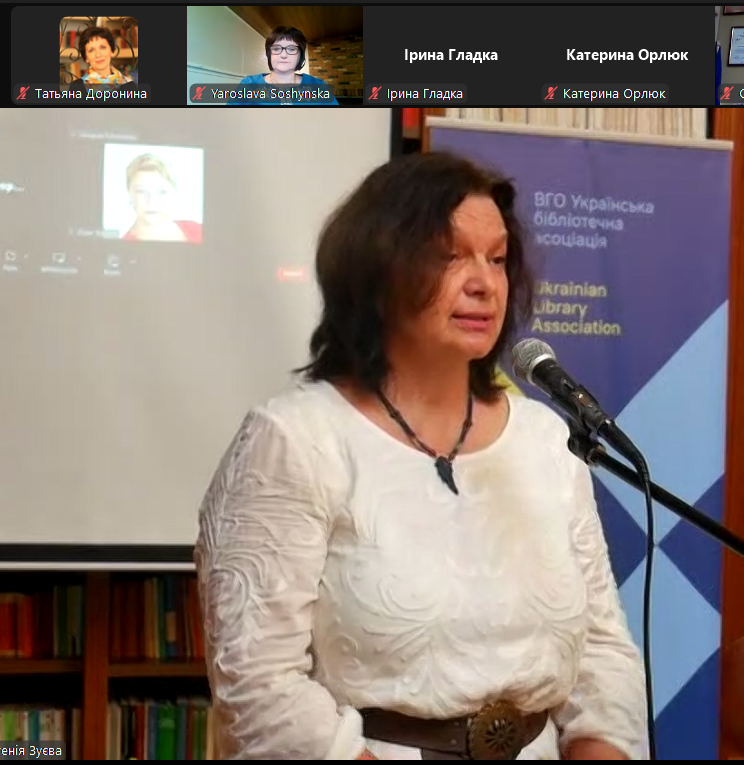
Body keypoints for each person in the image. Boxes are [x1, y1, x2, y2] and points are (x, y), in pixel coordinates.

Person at [194, 151, 647, 760]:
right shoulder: (294, 439)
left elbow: (602, 650)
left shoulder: (544, 438)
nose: (484, 283)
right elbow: (260, 687)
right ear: (377, 272)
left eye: (497, 259)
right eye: (449, 256)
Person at [230, 26, 339, 105]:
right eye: (276, 48)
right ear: (269, 54)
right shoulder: (249, 84)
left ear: (300, 55)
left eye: (291, 49)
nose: (283, 55)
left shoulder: (318, 86)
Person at [121, 154, 203, 243]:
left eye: (162, 192)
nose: (152, 202)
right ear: (129, 194)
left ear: (174, 195)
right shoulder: (122, 247)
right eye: (141, 191)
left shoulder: (200, 231)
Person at [67, 26, 134, 91]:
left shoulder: (129, 85)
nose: (98, 55)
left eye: (102, 47)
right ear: (86, 57)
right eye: (91, 50)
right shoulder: (77, 87)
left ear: (112, 51)